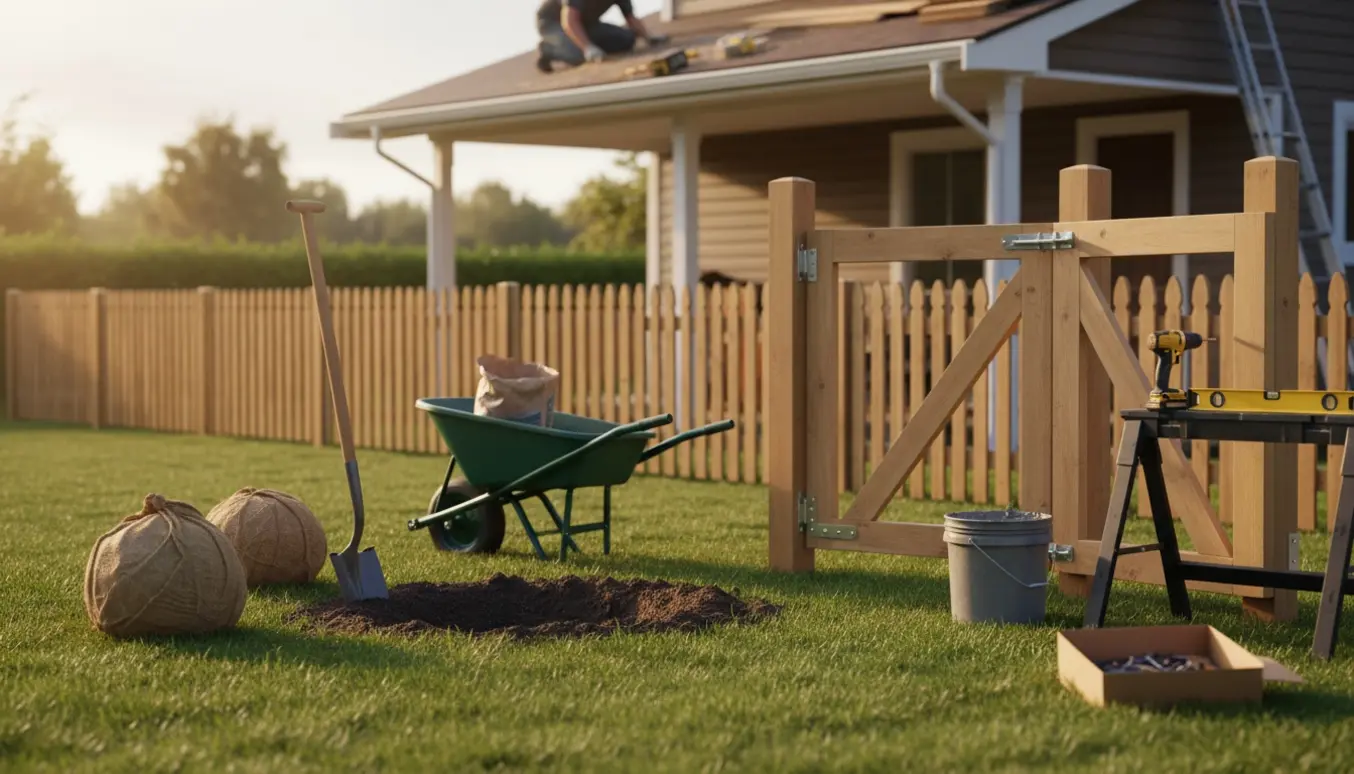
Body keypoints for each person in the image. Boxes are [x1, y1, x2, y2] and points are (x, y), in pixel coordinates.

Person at [535, 0, 669, 73]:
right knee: (578, 56)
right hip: (553, 22)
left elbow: (630, 18)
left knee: (628, 39)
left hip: (587, 23)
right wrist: (588, 48)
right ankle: (548, 49)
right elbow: (569, 21)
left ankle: (584, 43)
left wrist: (649, 38)